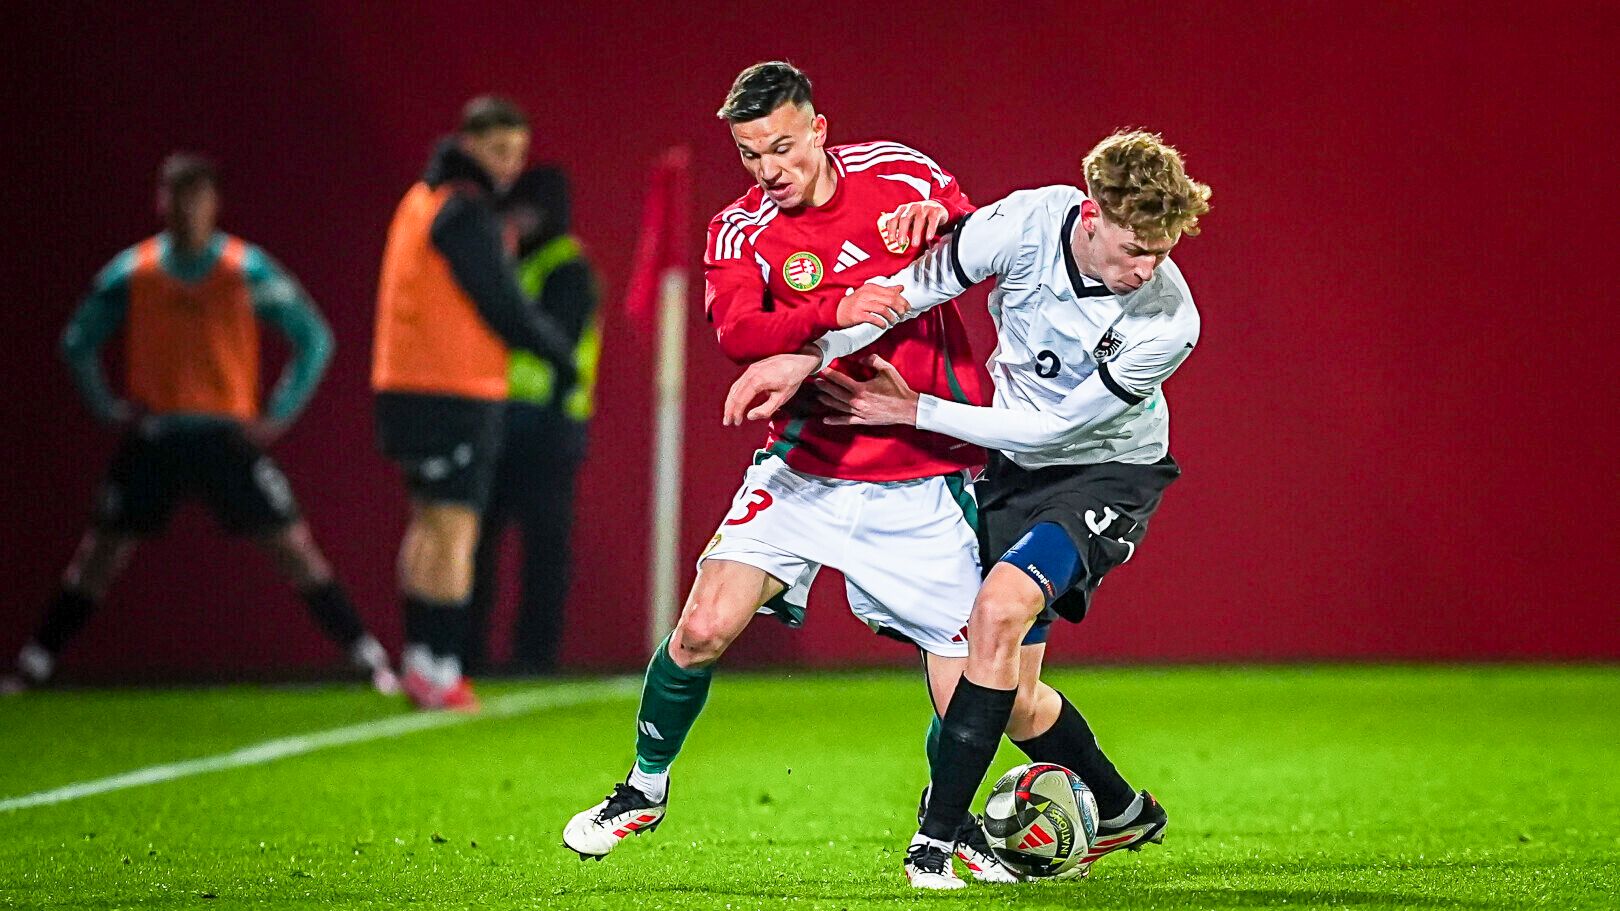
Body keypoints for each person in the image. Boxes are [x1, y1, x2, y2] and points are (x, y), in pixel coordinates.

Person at [563, 62, 1114, 887]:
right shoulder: (738, 229)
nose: (769, 169)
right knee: (703, 627)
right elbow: (740, 332)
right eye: (751, 155)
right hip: (805, 469)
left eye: (783, 147)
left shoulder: (898, 171)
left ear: (819, 129)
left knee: (967, 689)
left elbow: (975, 239)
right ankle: (643, 788)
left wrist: (947, 218)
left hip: (925, 478)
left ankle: (951, 822)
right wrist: (836, 308)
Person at [726, 130, 1212, 885]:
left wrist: (911, 410)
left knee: (996, 613)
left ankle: (937, 836)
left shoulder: (1168, 319)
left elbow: (1055, 429)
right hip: (1013, 466)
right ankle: (1121, 810)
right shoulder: (1024, 224)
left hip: (1106, 471)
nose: (1147, 268)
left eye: (1162, 250)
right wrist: (812, 354)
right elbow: (910, 290)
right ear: (1091, 214)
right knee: (1013, 696)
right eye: (1134, 248)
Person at [1, 153, 395, 695]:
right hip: (158, 436)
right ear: (160, 201)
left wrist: (279, 412)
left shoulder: (244, 269)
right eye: (178, 196)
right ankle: (34, 665)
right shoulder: (135, 271)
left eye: (198, 197)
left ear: (215, 203)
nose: (188, 209)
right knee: (99, 555)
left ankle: (369, 657)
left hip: (224, 437)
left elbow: (314, 338)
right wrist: (107, 407)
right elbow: (77, 342)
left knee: (294, 547)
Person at [372, 97, 576, 711]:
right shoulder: (464, 208)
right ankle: (442, 665)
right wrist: (557, 353)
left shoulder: (423, 199)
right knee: (456, 528)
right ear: (467, 144)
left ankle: (420, 662)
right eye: (497, 150)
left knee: (427, 522)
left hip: (407, 384)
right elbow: (500, 300)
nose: (508, 165)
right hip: (451, 390)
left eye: (517, 152)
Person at [465, 166, 599, 675]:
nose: (518, 221)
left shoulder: (566, 267)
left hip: (550, 425)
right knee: (479, 541)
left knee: (544, 547)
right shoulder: (509, 262)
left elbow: (558, 340)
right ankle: (468, 654)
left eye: (527, 211)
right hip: (498, 418)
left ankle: (536, 656)